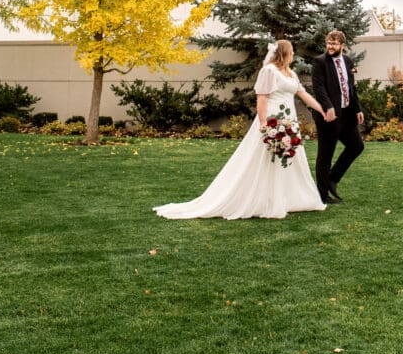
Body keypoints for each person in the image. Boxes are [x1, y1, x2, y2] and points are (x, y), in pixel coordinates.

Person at [153, 40, 327, 220]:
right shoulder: (269, 71)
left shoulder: (291, 73)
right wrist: (263, 123)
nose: (293, 55)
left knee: (288, 158)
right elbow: (262, 98)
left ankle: (288, 198)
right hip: (273, 120)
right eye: (291, 52)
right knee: (266, 158)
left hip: (290, 121)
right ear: (284, 53)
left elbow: (303, 94)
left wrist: (321, 109)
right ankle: (265, 200)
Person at [311, 29, 365, 204]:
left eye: (334, 43)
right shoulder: (320, 62)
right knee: (325, 155)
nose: (330, 46)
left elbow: (350, 88)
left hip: (346, 115)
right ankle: (322, 195)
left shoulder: (348, 61)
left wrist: (357, 109)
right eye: (328, 43)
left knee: (356, 146)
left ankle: (333, 179)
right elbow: (318, 88)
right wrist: (328, 107)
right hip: (328, 116)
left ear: (342, 45)